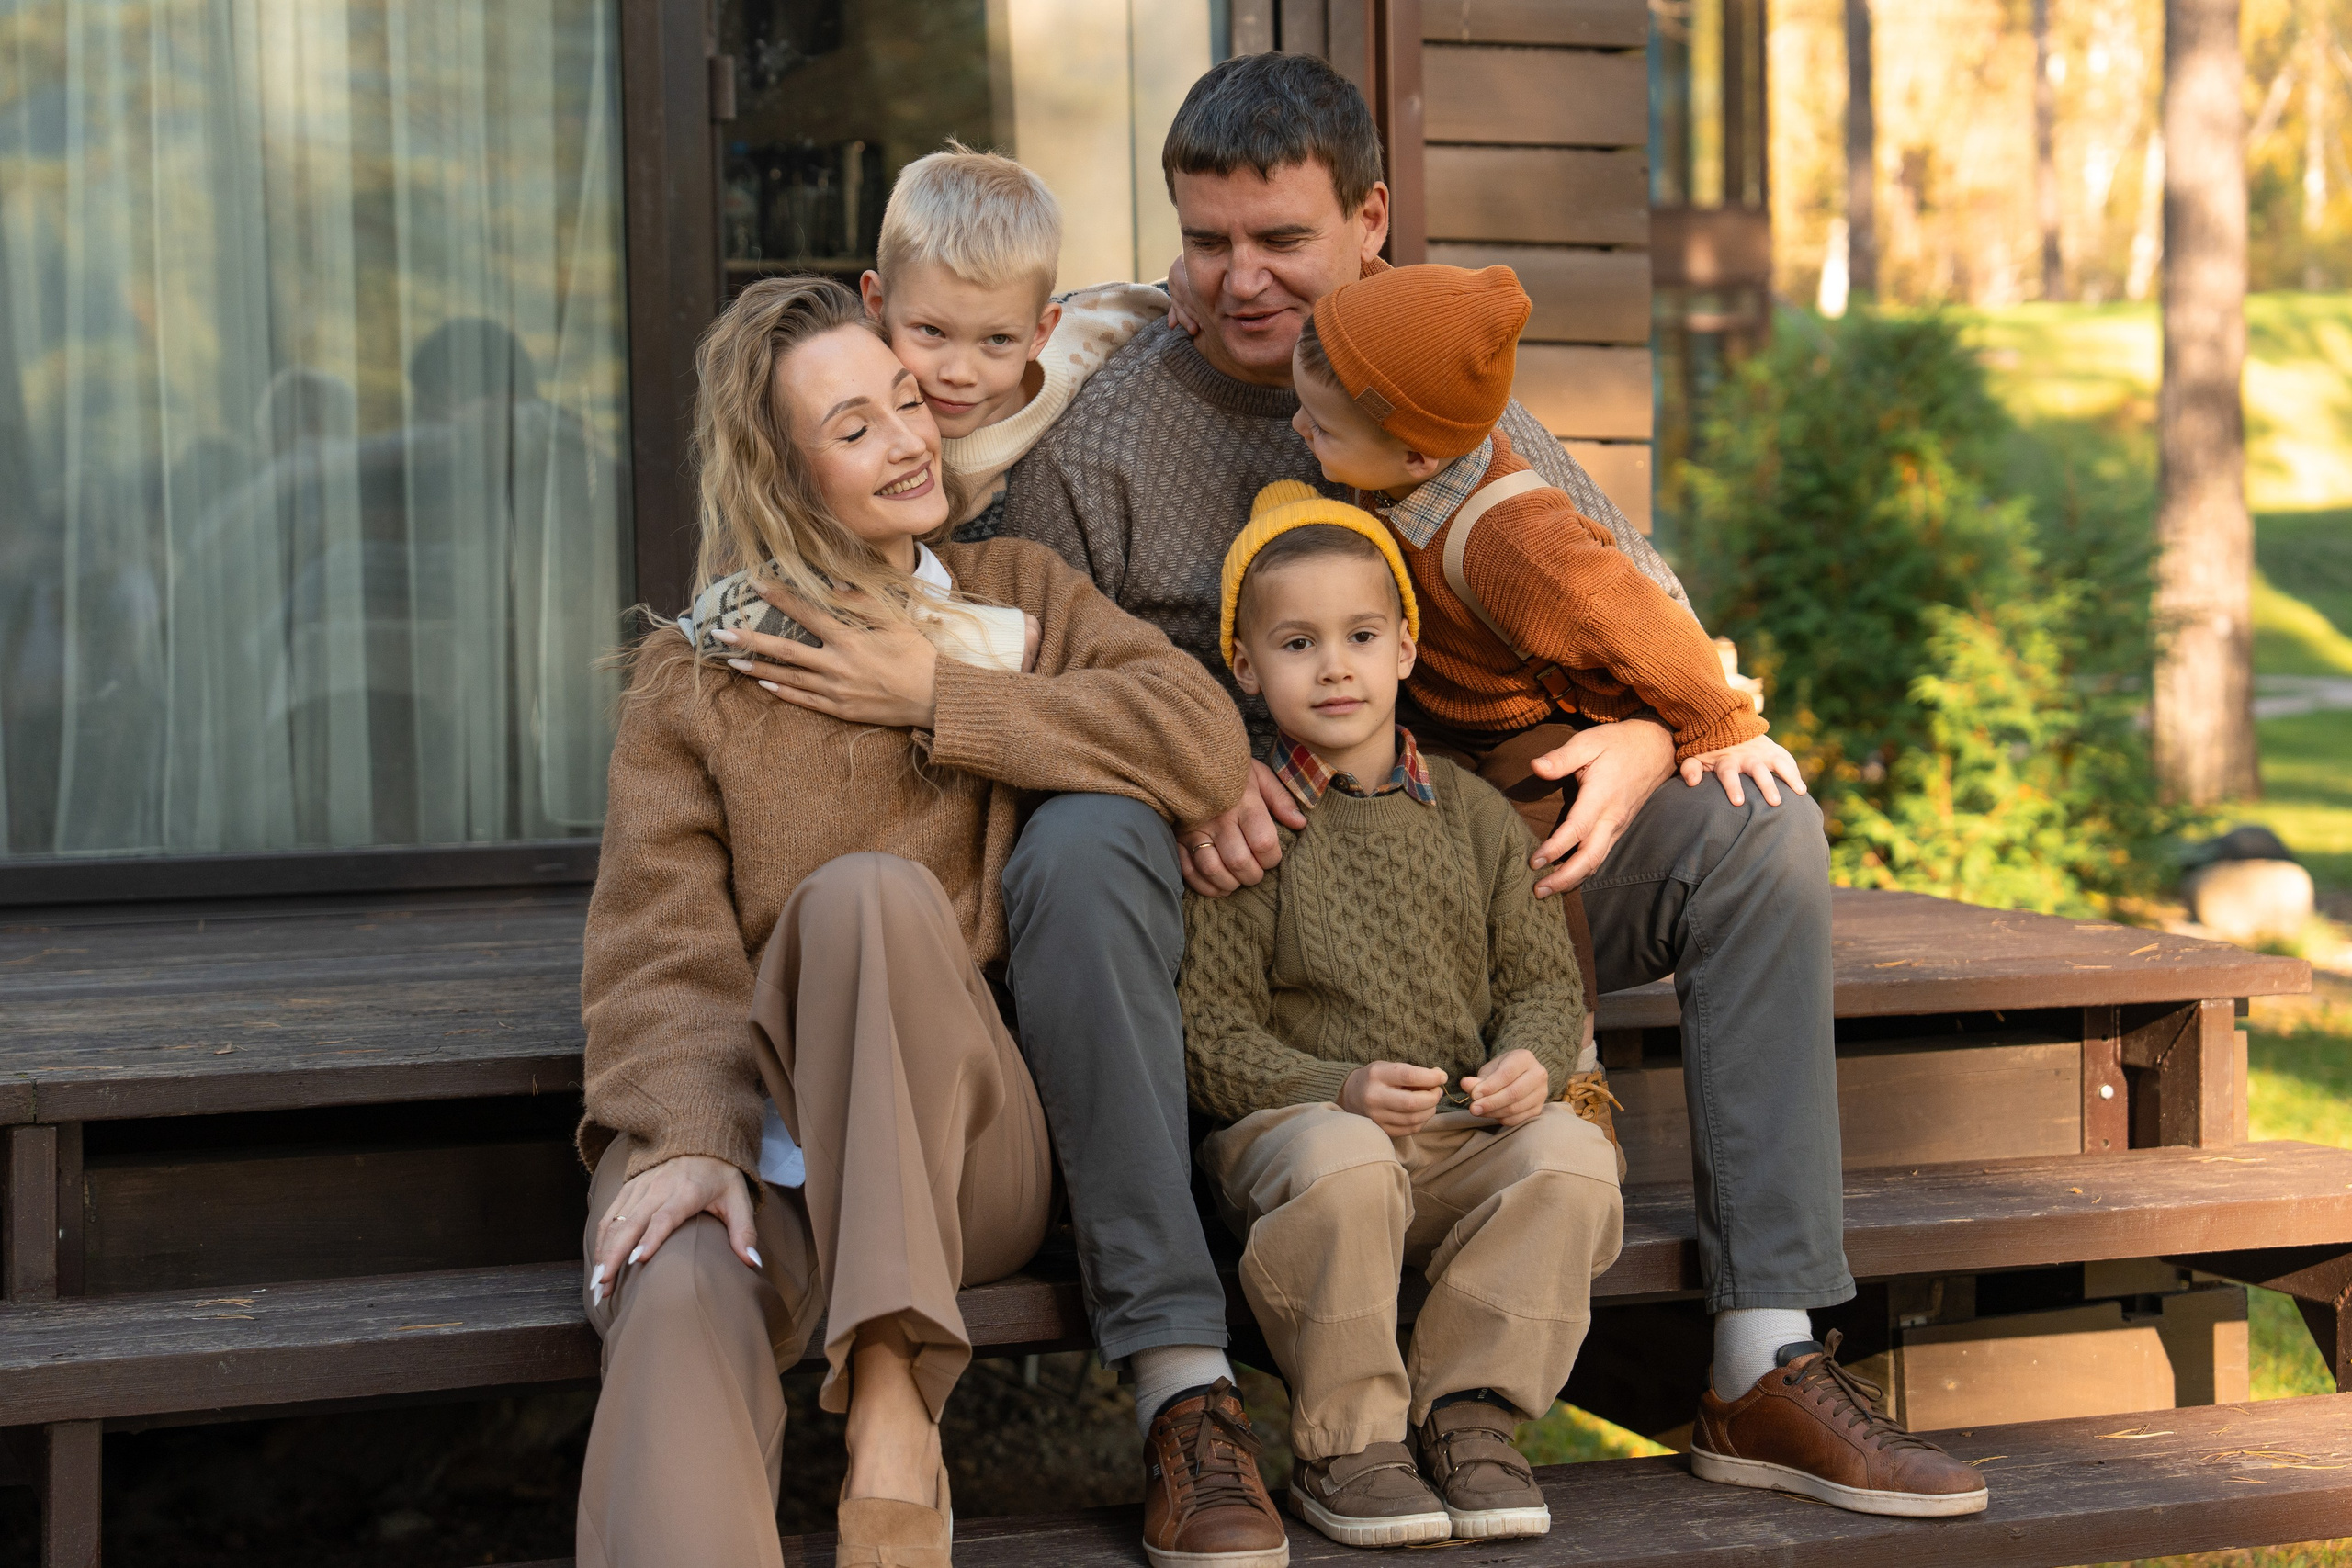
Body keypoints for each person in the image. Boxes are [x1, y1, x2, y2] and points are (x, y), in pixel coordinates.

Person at [1001, 50, 1987, 1518]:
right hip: (1239, 882)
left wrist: (1659, 736)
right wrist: (1203, 758)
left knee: (1754, 827)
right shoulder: (1107, 441)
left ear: (1372, 219)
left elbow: (1623, 591)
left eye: (1282, 240)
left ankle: (1763, 1350)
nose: (1239, 280)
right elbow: (1032, 681)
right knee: (1075, 850)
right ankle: (1180, 1387)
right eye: (1206, 242)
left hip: (1480, 853)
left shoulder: (1438, 380)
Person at [573, 276, 1267, 1568]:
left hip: (962, 1158)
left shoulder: (1016, 594)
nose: (907, 440)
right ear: (779, 472)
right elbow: (655, 946)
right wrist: (687, 1134)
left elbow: (1201, 740)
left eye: (906, 403)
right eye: (854, 427)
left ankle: (893, 1390)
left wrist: (938, 690)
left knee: (868, 898)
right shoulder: (698, 678)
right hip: (769, 1146)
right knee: (669, 1287)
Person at [1182, 493, 1623, 1548]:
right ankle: (1350, 1443)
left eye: (1360, 637)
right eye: (1298, 643)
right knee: (1344, 1160)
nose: (1334, 667)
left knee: (1568, 1159)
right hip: (1303, 1140)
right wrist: (1331, 1088)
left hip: (1459, 1135)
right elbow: (1205, 1034)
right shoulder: (1250, 827)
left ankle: (1468, 1413)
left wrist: (1529, 1058)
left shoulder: (1470, 812)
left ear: (1406, 648)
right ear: (1246, 668)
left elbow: (1543, 981)